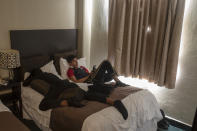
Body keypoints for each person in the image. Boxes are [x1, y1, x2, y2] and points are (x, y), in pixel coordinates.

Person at [23, 69, 128, 120]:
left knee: (44, 104)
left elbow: (25, 83)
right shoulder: (48, 74)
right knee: (87, 94)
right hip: (67, 84)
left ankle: (67, 102)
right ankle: (113, 102)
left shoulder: (38, 76)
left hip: (57, 87)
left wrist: (31, 76)